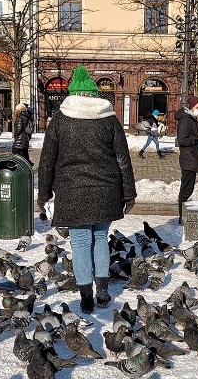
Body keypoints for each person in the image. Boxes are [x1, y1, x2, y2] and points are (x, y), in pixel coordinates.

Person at [37, 66, 136, 315]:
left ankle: (85, 296)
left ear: (73, 94)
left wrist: (44, 194)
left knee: (80, 242)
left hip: (72, 190)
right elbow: (123, 159)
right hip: (106, 189)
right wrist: (129, 193)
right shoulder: (109, 118)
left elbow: (47, 161)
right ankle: (102, 289)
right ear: (93, 93)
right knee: (100, 238)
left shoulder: (60, 119)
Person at [175, 94, 198, 225]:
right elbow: (182, 140)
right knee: (186, 189)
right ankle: (182, 217)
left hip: (191, 158)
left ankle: (183, 215)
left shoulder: (192, 119)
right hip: (188, 159)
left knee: (188, 188)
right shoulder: (186, 120)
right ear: (191, 107)